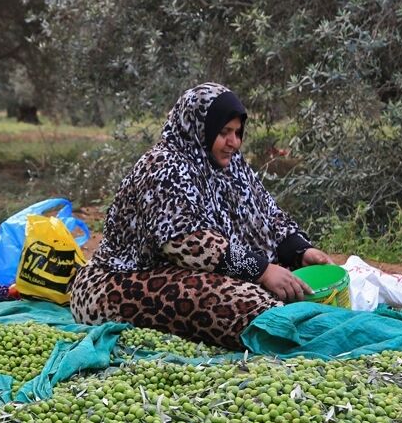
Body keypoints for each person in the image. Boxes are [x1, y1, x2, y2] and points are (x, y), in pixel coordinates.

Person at [70, 82, 333, 348]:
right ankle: (281, 328)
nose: (234, 142)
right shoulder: (163, 166)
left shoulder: (230, 165)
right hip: (115, 283)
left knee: (280, 284)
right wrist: (261, 269)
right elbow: (187, 243)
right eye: (224, 132)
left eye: (238, 132)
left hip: (185, 270)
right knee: (243, 304)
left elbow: (267, 213)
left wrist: (299, 250)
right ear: (199, 129)